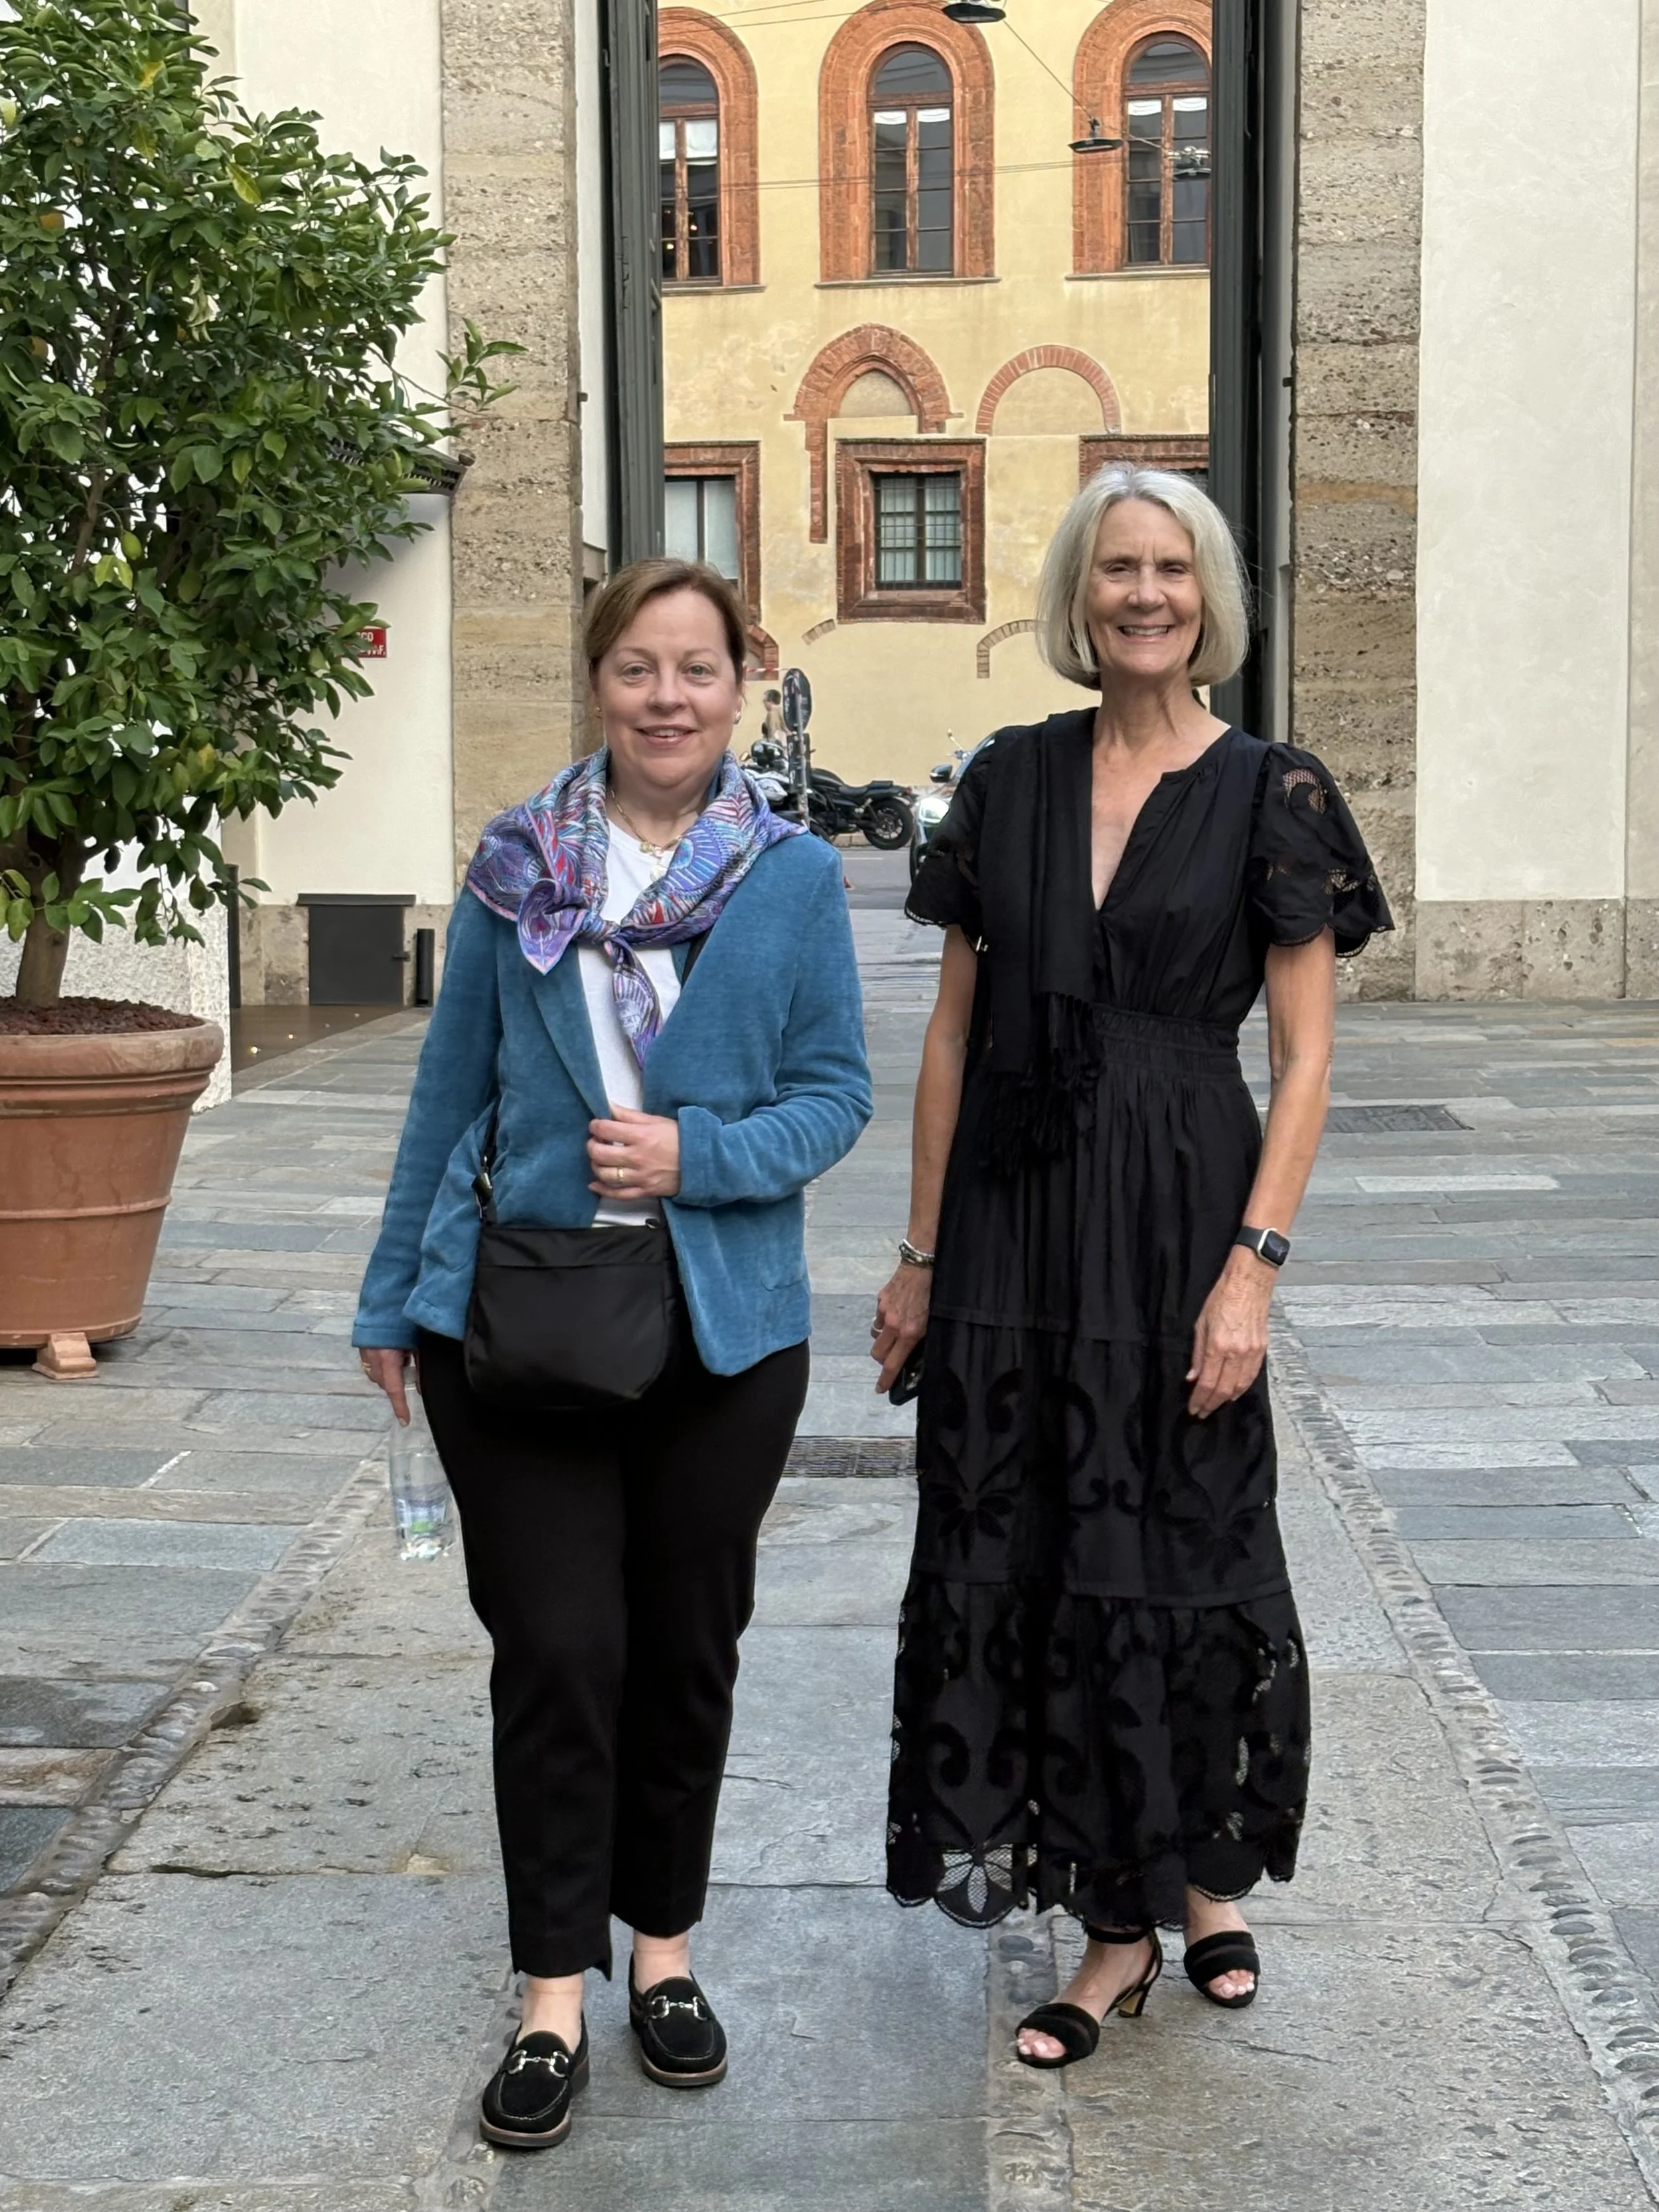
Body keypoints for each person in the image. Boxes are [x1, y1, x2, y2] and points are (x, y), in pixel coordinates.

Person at [871, 467, 1392, 2067]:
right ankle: (1116, 1920)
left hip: (1179, 1211)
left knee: (1179, 1539)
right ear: (1076, 596)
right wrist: (916, 1254)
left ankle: (1190, 1880)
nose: (1143, 595)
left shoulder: (1270, 790)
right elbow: (951, 1031)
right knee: (1034, 1544)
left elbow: (1301, 1062)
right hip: (1015, 1223)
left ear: (1206, 596)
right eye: (1116, 570)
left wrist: (1252, 1270)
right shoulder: (1006, 784)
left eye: (1170, 569)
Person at [355, 558, 871, 2148]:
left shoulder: (787, 879)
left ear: (741, 685)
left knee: (684, 1648)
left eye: (695, 669)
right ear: (597, 683)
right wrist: (390, 1301)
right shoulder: (517, 868)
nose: (666, 697)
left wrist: (693, 1153)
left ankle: (661, 1952)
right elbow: (449, 1096)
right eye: (636, 668)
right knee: (562, 1650)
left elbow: (836, 1094)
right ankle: (549, 1990)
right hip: (514, 1321)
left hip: (722, 1337)